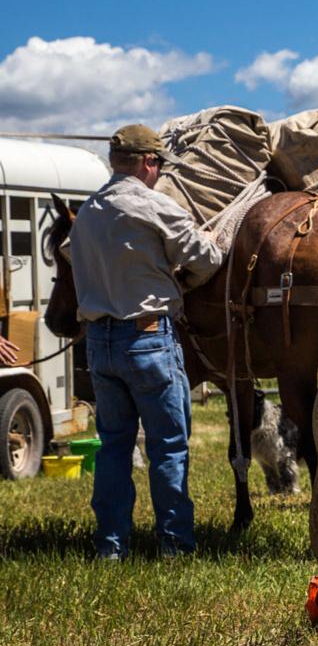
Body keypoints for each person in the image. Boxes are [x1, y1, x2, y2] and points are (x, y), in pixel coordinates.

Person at [68, 124, 223, 559]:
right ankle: (174, 546)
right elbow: (205, 260)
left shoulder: (88, 212)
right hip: (148, 339)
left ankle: (111, 546)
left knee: (113, 446)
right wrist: (210, 243)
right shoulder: (155, 206)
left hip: (99, 342)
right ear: (149, 163)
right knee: (168, 447)